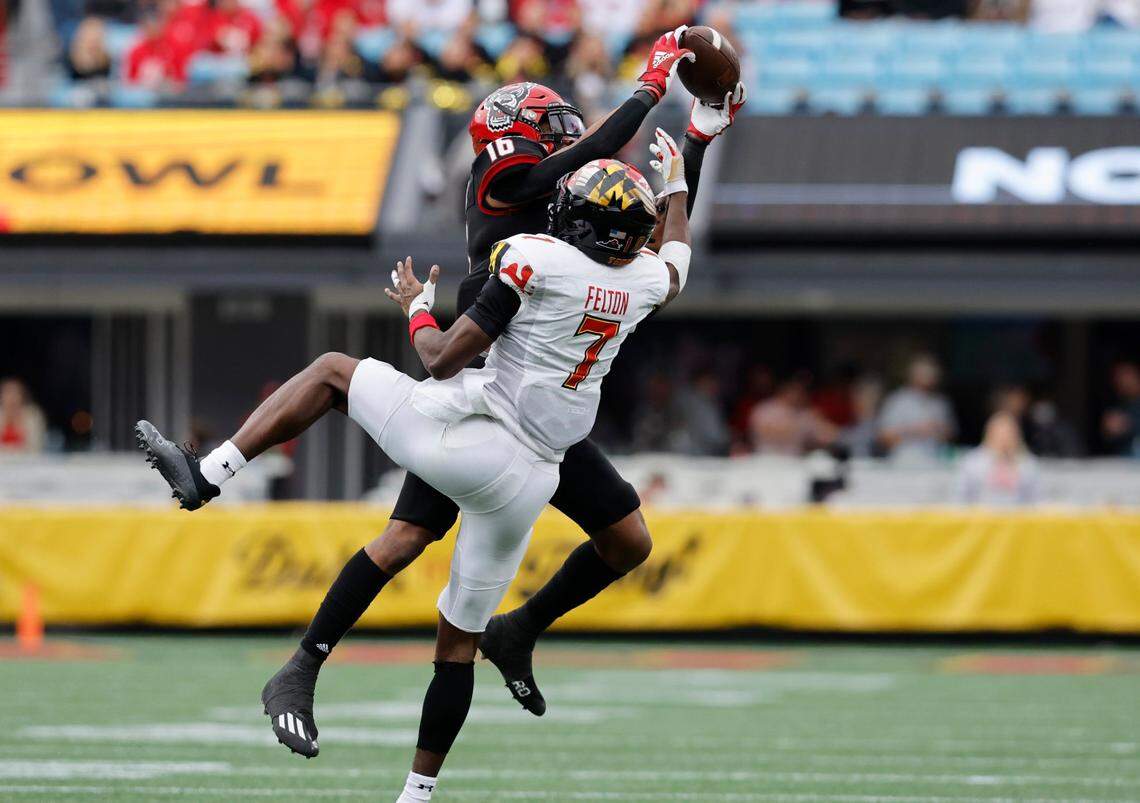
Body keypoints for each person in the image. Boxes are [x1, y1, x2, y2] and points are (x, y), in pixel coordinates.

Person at [138, 144, 694, 801]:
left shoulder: (536, 258)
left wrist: (415, 306)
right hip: (532, 481)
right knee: (456, 647)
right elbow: (677, 263)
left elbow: (439, 359)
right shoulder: (644, 280)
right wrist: (678, 186)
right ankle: (416, 794)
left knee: (332, 373)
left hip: (474, 443)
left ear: (580, 222)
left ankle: (209, 475)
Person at [877, 354, 956, 463]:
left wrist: (939, 429)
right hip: (903, 461)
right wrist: (915, 430)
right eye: (924, 374)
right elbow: (883, 437)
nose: (929, 378)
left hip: (936, 460)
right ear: (913, 375)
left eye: (932, 373)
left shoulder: (941, 402)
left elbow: (951, 434)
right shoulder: (898, 401)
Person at [954, 411, 1041, 506]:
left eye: (1009, 433)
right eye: (1000, 433)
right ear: (989, 434)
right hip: (981, 514)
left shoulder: (1027, 463)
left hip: (1017, 514)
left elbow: (1037, 500)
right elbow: (960, 497)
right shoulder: (973, 462)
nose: (1004, 438)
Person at [1102, 360, 1140, 457]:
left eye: (1127, 375)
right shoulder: (1119, 407)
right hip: (1123, 461)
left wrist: (1129, 424)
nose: (1123, 381)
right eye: (1118, 378)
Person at [0, 377, 46, 454]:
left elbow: (36, 445)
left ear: (22, 396)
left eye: (15, 393)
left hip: (26, 459)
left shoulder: (33, 416)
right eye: (8, 393)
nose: (12, 398)